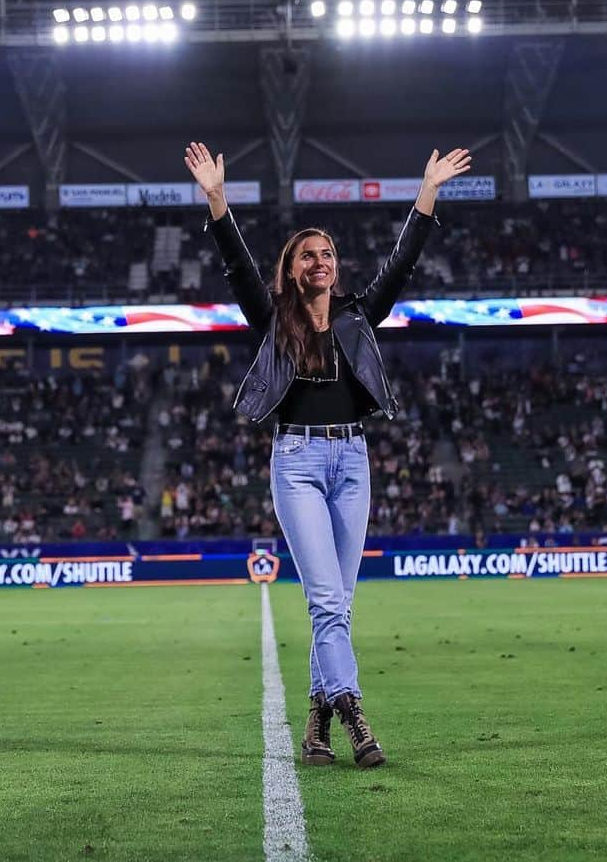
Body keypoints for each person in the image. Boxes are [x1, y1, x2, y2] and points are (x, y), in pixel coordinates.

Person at [185, 141, 471, 768]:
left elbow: (403, 264)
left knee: (339, 602)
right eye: (308, 255)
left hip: (353, 464)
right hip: (298, 465)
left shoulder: (358, 315)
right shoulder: (272, 318)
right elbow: (235, 264)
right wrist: (216, 199)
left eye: (328, 254)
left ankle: (315, 727)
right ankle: (355, 717)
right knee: (326, 600)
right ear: (291, 270)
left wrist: (427, 192)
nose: (321, 261)